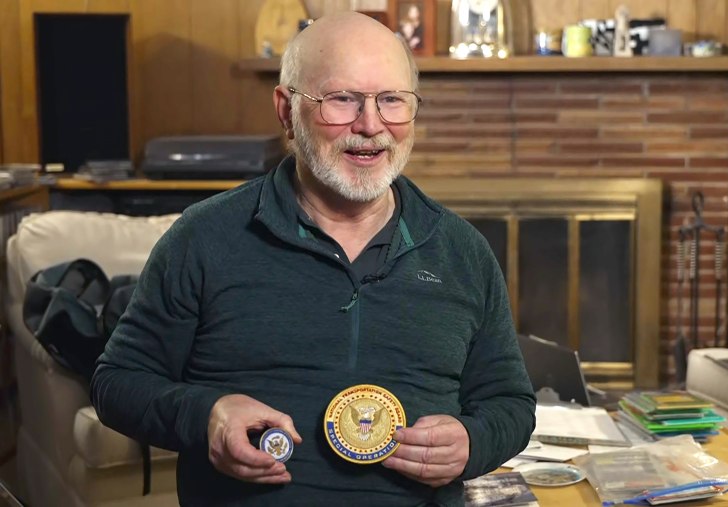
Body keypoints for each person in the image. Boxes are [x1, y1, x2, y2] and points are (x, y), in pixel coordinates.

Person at [91, 11, 536, 506]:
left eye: (392, 100)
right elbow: (116, 383)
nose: (371, 126)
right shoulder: (204, 238)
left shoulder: (463, 251)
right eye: (342, 99)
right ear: (286, 110)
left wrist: (472, 443)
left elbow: (510, 403)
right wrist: (208, 413)